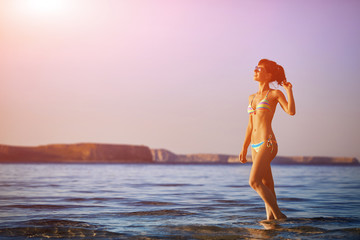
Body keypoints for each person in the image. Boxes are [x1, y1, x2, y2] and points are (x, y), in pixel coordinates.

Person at [239, 59, 295, 220]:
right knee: (268, 185)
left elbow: (291, 111)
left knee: (254, 182)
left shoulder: (275, 94)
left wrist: (289, 91)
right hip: (254, 147)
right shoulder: (251, 97)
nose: (255, 70)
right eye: (255, 67)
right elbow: (250, 125)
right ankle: (270, 224)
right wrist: (244, 147)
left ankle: (279, 216)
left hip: (267, 143)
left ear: (269, 75)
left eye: (259, 69)